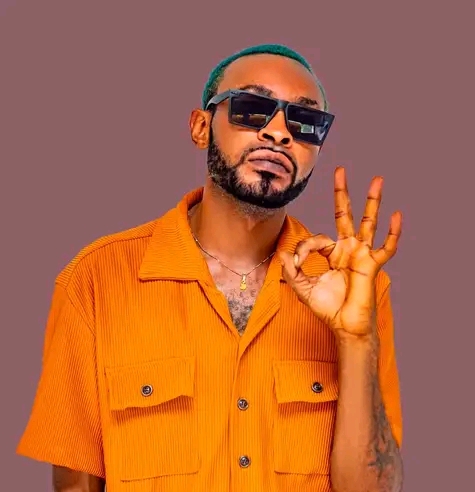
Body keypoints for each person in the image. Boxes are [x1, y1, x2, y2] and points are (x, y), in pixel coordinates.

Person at [17, 44, 404, 492]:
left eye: (304, 121)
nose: (279, 133)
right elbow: (75, 485)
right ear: (201, 127)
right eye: (252, 109)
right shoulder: (96, 279)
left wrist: (356, 340)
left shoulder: (356, 290)